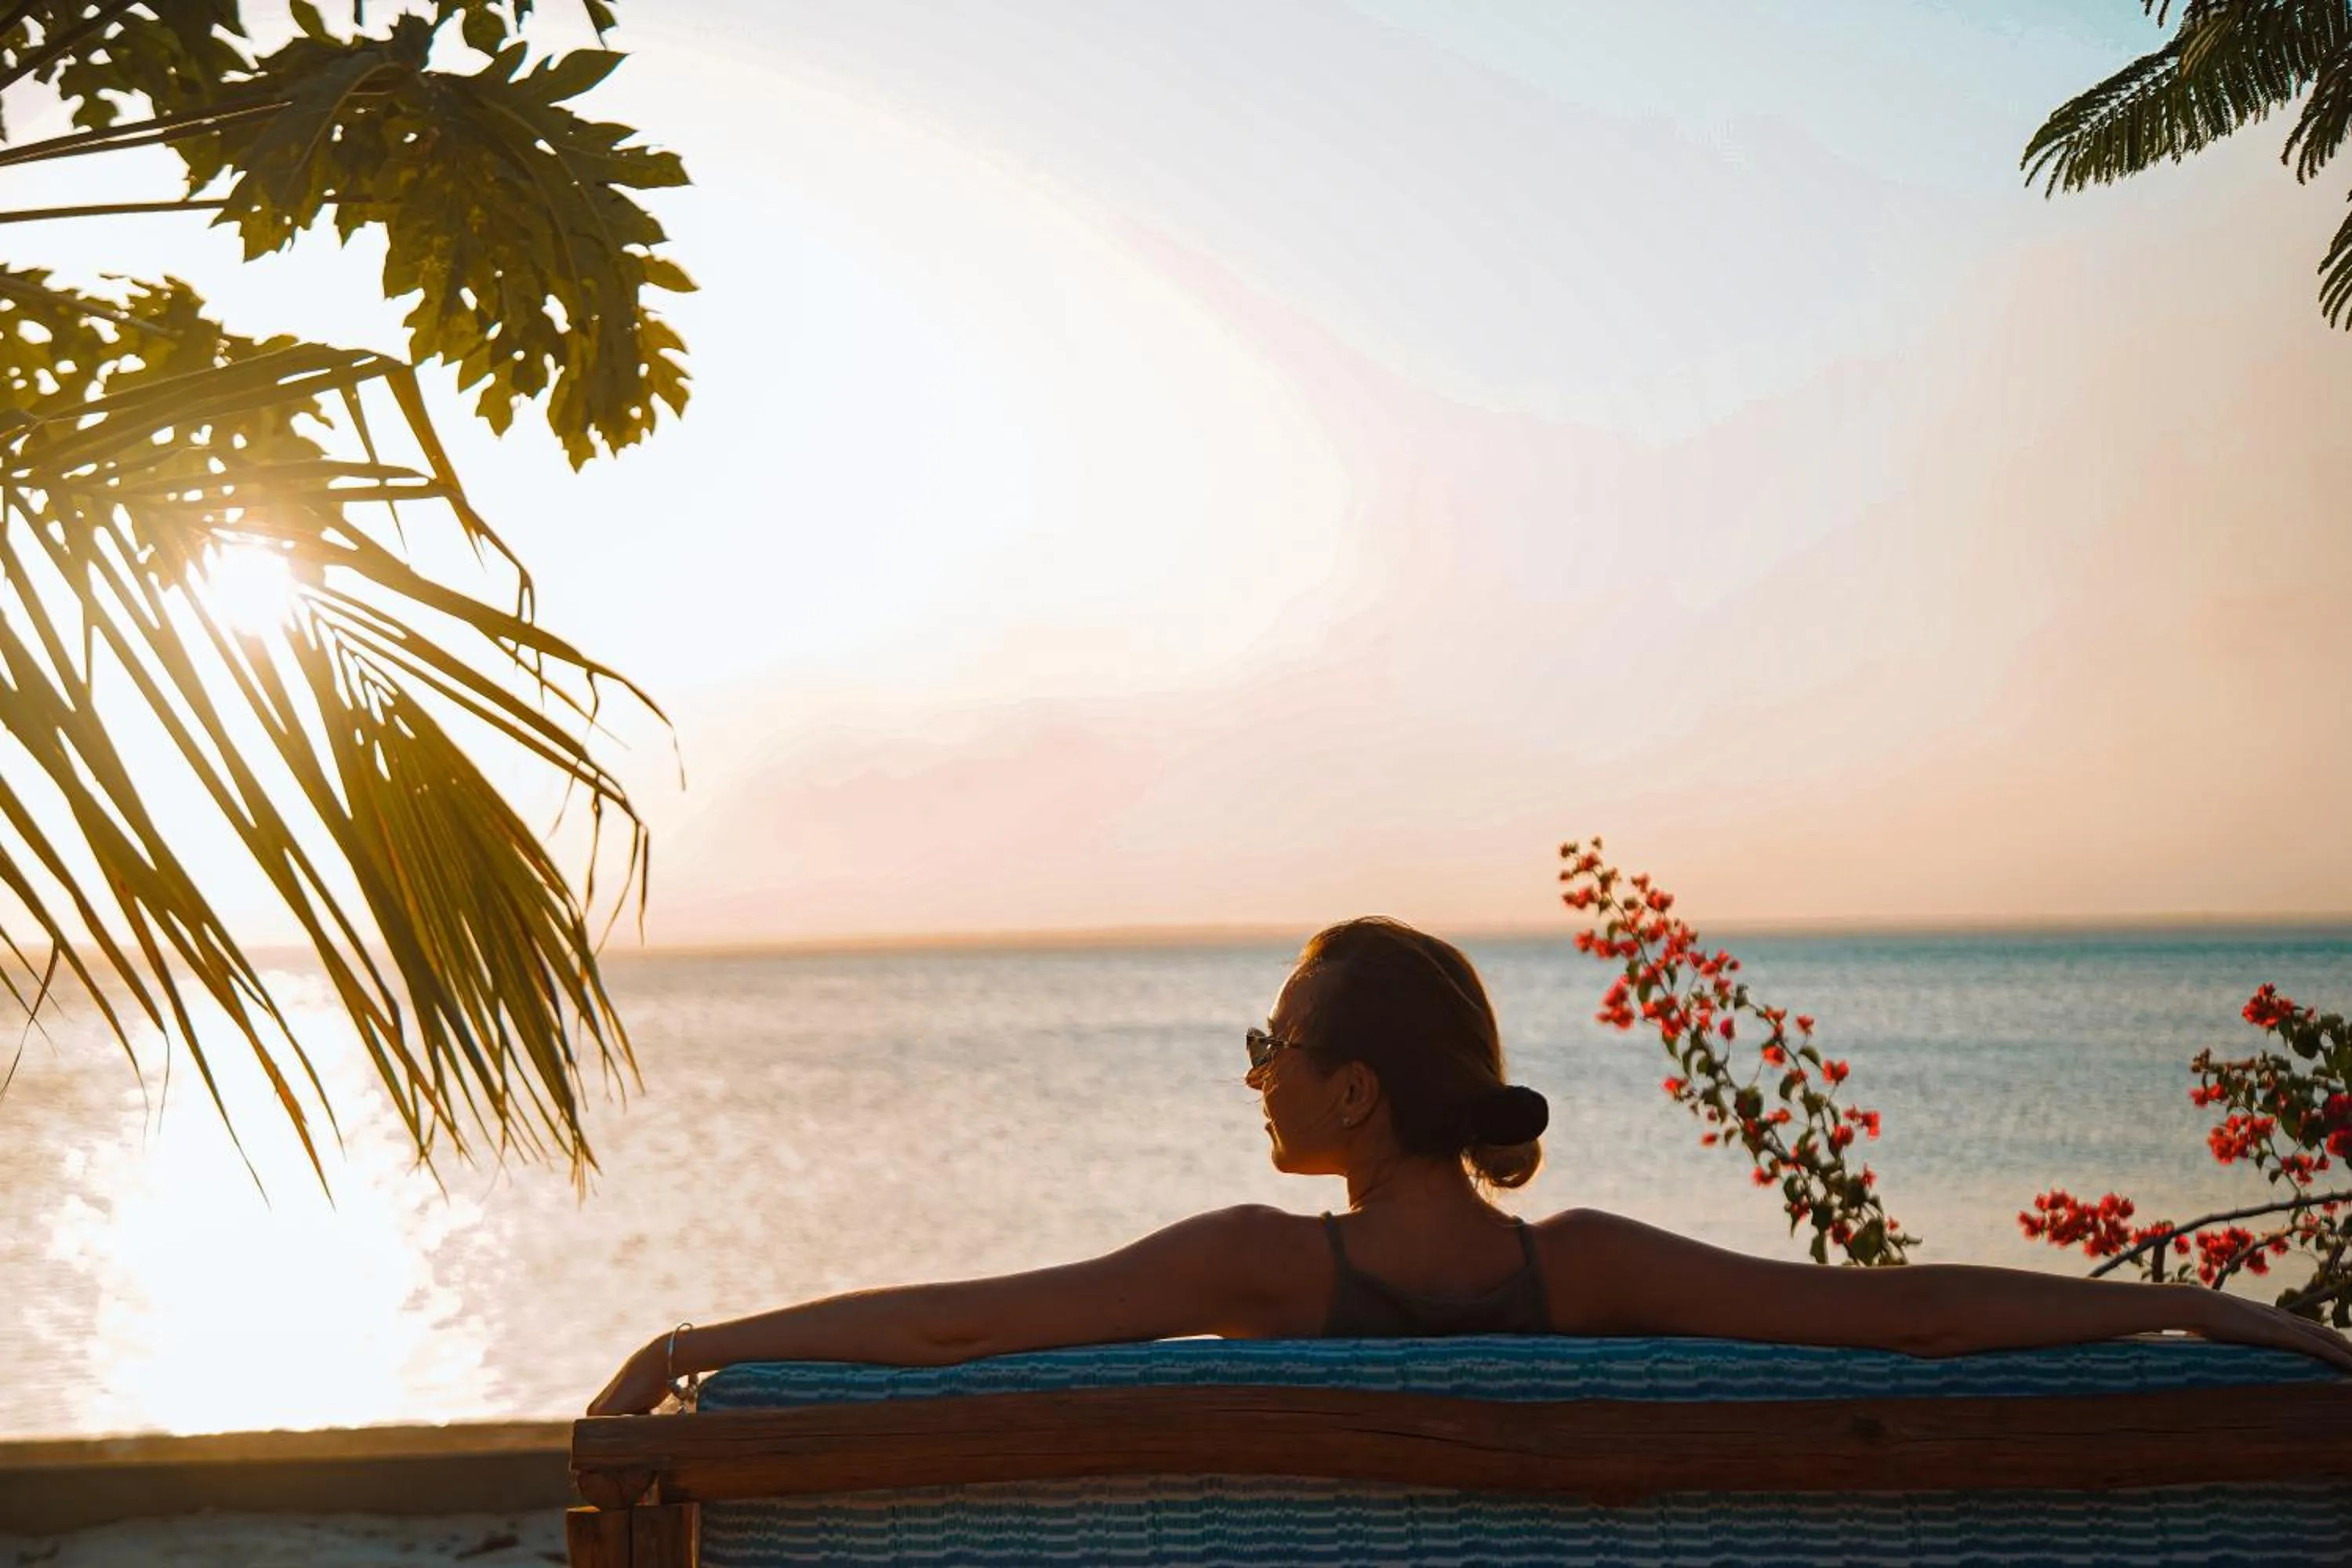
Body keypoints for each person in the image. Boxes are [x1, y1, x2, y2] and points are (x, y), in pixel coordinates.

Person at [589, 916, 2352, 1415]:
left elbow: (960, 1334)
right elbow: (1910, 1323)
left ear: (1351, 1093)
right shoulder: (1583, 1268)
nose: (1257, 1069)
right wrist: (2194, 1310)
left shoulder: (1258, 1272)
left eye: (1273, 1041)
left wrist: (700, 1341)